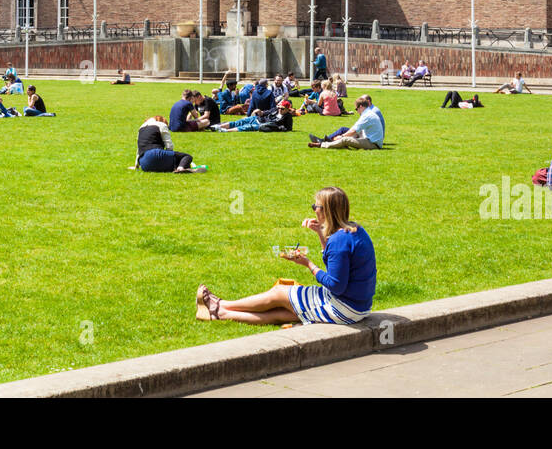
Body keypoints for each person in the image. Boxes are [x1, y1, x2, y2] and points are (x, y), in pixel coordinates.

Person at [195, 186, 374, 326]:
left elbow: (336, 285)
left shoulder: (338, 241)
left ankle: (220, 305)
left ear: (326, 210)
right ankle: (220, 314)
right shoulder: (355, 230)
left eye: (315, 207)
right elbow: (336, 267)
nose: (313, 210)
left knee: (279, 292)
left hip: (343, 307)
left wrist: (308, 264)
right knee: (286, 313)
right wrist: (320, 233)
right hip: (359, 306)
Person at [131, 115, 206, 173]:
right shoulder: (161, 125)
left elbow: (139, 149)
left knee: (173, 162)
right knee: (187, 156)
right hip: (155, 154)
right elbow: (169, 145)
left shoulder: (141, 128)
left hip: (144, 164)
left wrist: (136, 166)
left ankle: (178, 167)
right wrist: (171, 156)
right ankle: (181, 168)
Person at [308, 96, 383, 149]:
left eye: (356, 109)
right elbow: (355, 128)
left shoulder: (367, 116)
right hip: (368, 137)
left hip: (373, 143)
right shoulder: (368, 113)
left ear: (361, 107)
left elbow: (354, 130)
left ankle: (322, 144)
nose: (357, 111)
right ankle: (329, 141)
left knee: (345, 139)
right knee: (344, 130)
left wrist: (342, 136)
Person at [214, 98, 294, 132]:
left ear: (287, 109)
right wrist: (260, 112)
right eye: (279, 107)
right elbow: (265, 113)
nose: (280, 109)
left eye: (282, 108)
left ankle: (226, 131)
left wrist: (278, 128)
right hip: (257, 118)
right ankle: (217, 127)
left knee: (245, 127)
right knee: (239, 122)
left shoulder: (288, 117)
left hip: (262, 125)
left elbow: (288, 128)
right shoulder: (275, 110)